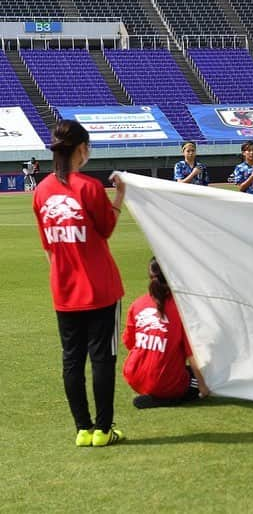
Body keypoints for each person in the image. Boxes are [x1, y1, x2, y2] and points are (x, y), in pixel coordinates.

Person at [32, 120, 126, 447]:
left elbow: (48, 246)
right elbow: (107, 227)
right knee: (102, 359)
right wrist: (121, 196)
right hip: (100, 289)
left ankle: (82, 429)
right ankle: (103, 429)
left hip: (64, 291)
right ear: (82, 149)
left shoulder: (41, 191)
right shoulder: (88, 187)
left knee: (72, 360)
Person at [123, 258, 210, 409]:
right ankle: (163, 399)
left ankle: (154, 391)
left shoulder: (138, 304)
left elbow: (129, 343)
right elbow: (192, 355)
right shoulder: (181, 309)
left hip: (134, 375)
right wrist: (203, 388)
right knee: (204, 378)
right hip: (164, 381)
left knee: (180, 371)